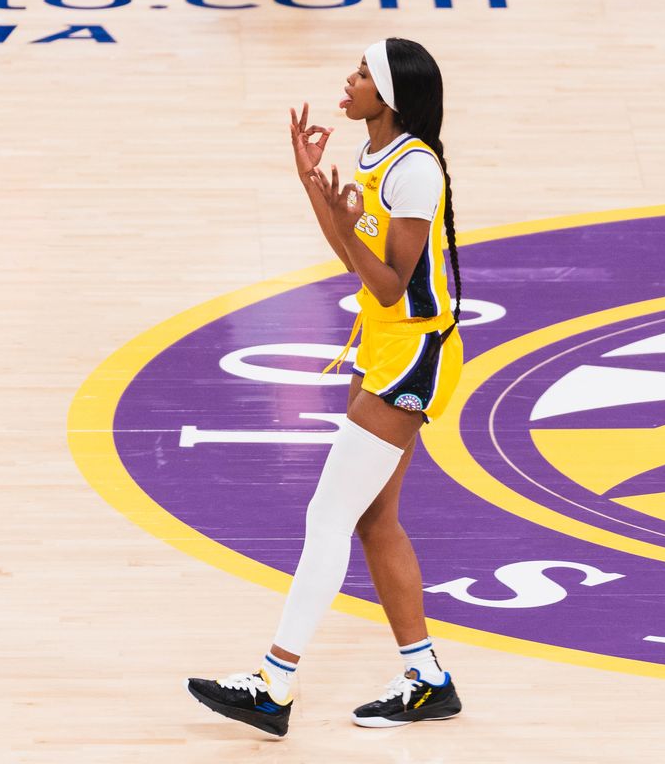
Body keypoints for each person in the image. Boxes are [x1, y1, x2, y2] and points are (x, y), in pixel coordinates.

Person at [186, 38, 465, 737]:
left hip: (414, 355)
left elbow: (391, 284)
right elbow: (352, 258)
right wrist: (314, 184)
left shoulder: (415, 170)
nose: (351, 78)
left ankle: (274, 682)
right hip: (385, 347)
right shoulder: (377, 157)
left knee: (328, 516)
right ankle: (427, 677)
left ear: (391, 94)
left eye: (365, 72)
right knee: (373, 521)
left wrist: (343, 220)